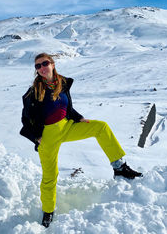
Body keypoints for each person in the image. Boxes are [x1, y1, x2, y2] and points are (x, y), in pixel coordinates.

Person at [20, 53, 142, 228]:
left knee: (101, 127)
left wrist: (79, 118)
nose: (41, 68)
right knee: (50, 176)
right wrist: (36, 137)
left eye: (44, 63)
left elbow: (67, 106)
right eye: (37, 66)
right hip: (48, 135)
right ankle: (48, 212)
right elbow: (25, 120)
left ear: (53, 64)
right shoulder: (33, 92)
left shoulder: (62, 83)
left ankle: (119, 167)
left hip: (67, 126)